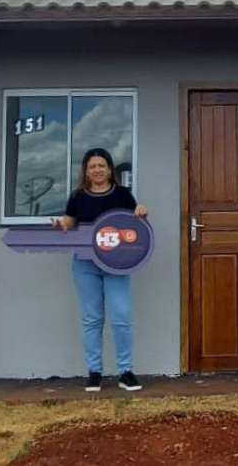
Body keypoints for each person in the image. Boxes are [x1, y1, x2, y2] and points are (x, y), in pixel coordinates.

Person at [53, 148, 148, 392]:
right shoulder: (78, 197)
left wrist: (140, 213)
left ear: (109, 169)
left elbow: (134, 223)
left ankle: (125, 372)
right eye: (92, 166)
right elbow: (70, 222)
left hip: (116, 264)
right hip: (85, 265)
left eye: (101, 166)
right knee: (92, 319)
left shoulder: (123, 195)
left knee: (121, 317)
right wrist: (61, 224)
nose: (97, 170)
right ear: (85, 171)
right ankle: (94, 372)